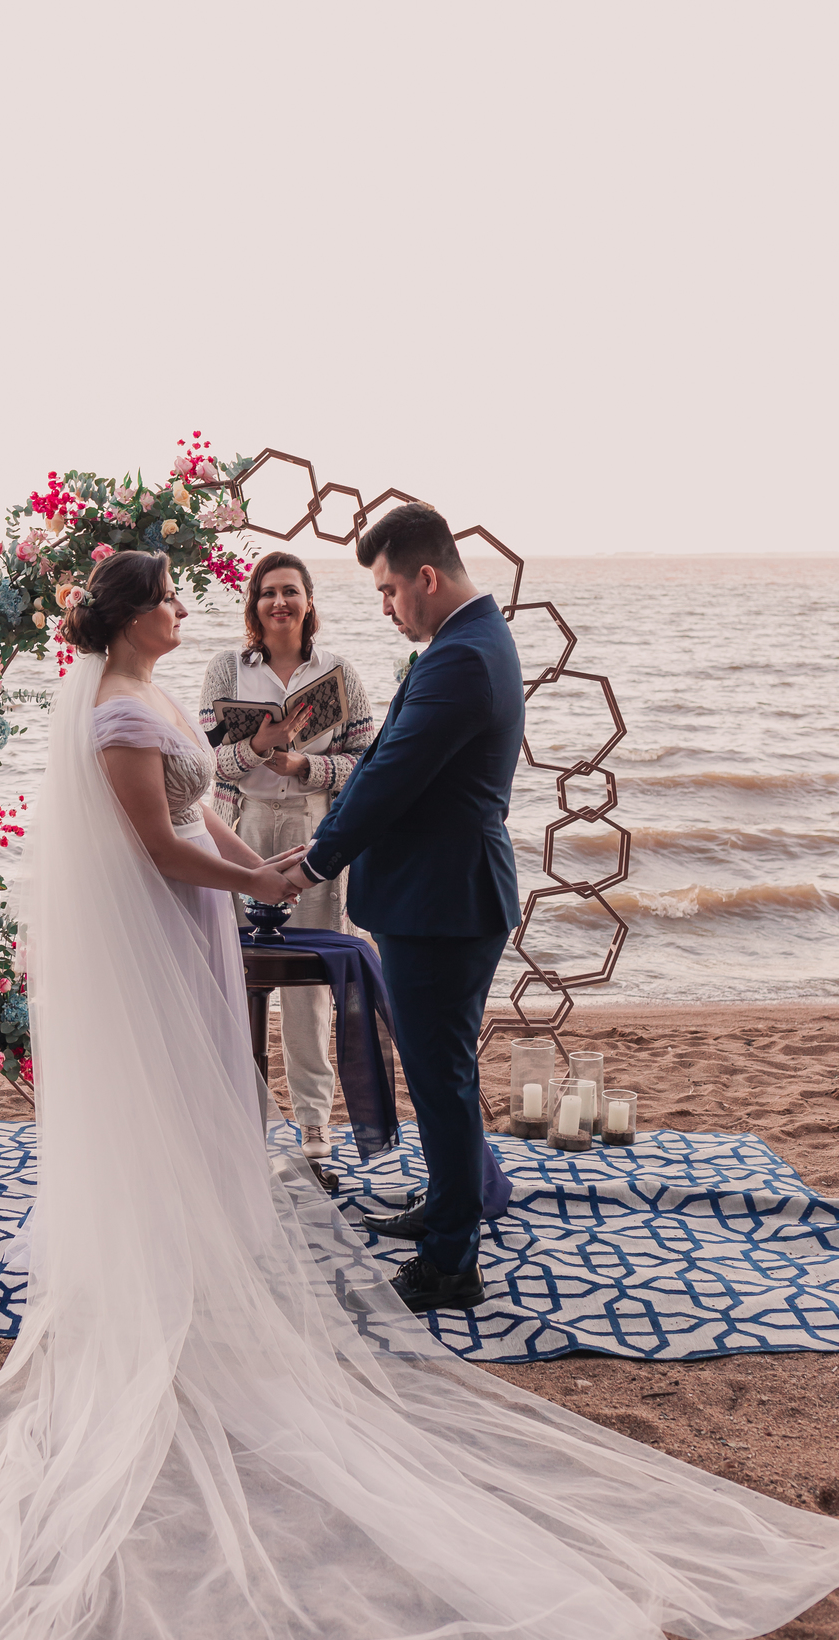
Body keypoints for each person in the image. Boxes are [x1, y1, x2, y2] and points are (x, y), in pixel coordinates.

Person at [0, 550, 839, 1640]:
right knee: (180, 1097)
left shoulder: (163, 697)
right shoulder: (121, 714)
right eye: (171, 596)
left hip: (204, 914)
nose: (191, 607)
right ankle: (175, 1270)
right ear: (132, 619)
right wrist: (263, 877)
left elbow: (208, 817)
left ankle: (238, 1235)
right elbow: (160, 847)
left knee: (229, 1089)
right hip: (168, 918)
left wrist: (269, 871)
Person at [286, 504, 525, 1316]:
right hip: (438, 897)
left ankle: (453, 1262)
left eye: (389, 591)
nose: (386, 607)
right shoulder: (460, 644)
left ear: (427, 577)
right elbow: (386, 759)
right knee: (436, 1076)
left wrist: (317, 860)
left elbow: (391, 778)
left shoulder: (462, 658)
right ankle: (449, 1208)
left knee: (443, 1078)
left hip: (444, 901)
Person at [199, 553, 374, 1160]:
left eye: (291, 592)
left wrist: (305, 765)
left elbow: (366, 763)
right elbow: (207, 763)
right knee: (232, 975)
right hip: (239, 827)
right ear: (254, 605)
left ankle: (315, 1127)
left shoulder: (339, 673)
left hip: (311, 831)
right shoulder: (227, 670)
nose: (280, 603)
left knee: (309, 985)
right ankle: (235, 1122)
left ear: (307, 602)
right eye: (269, 593)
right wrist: (256, 747)